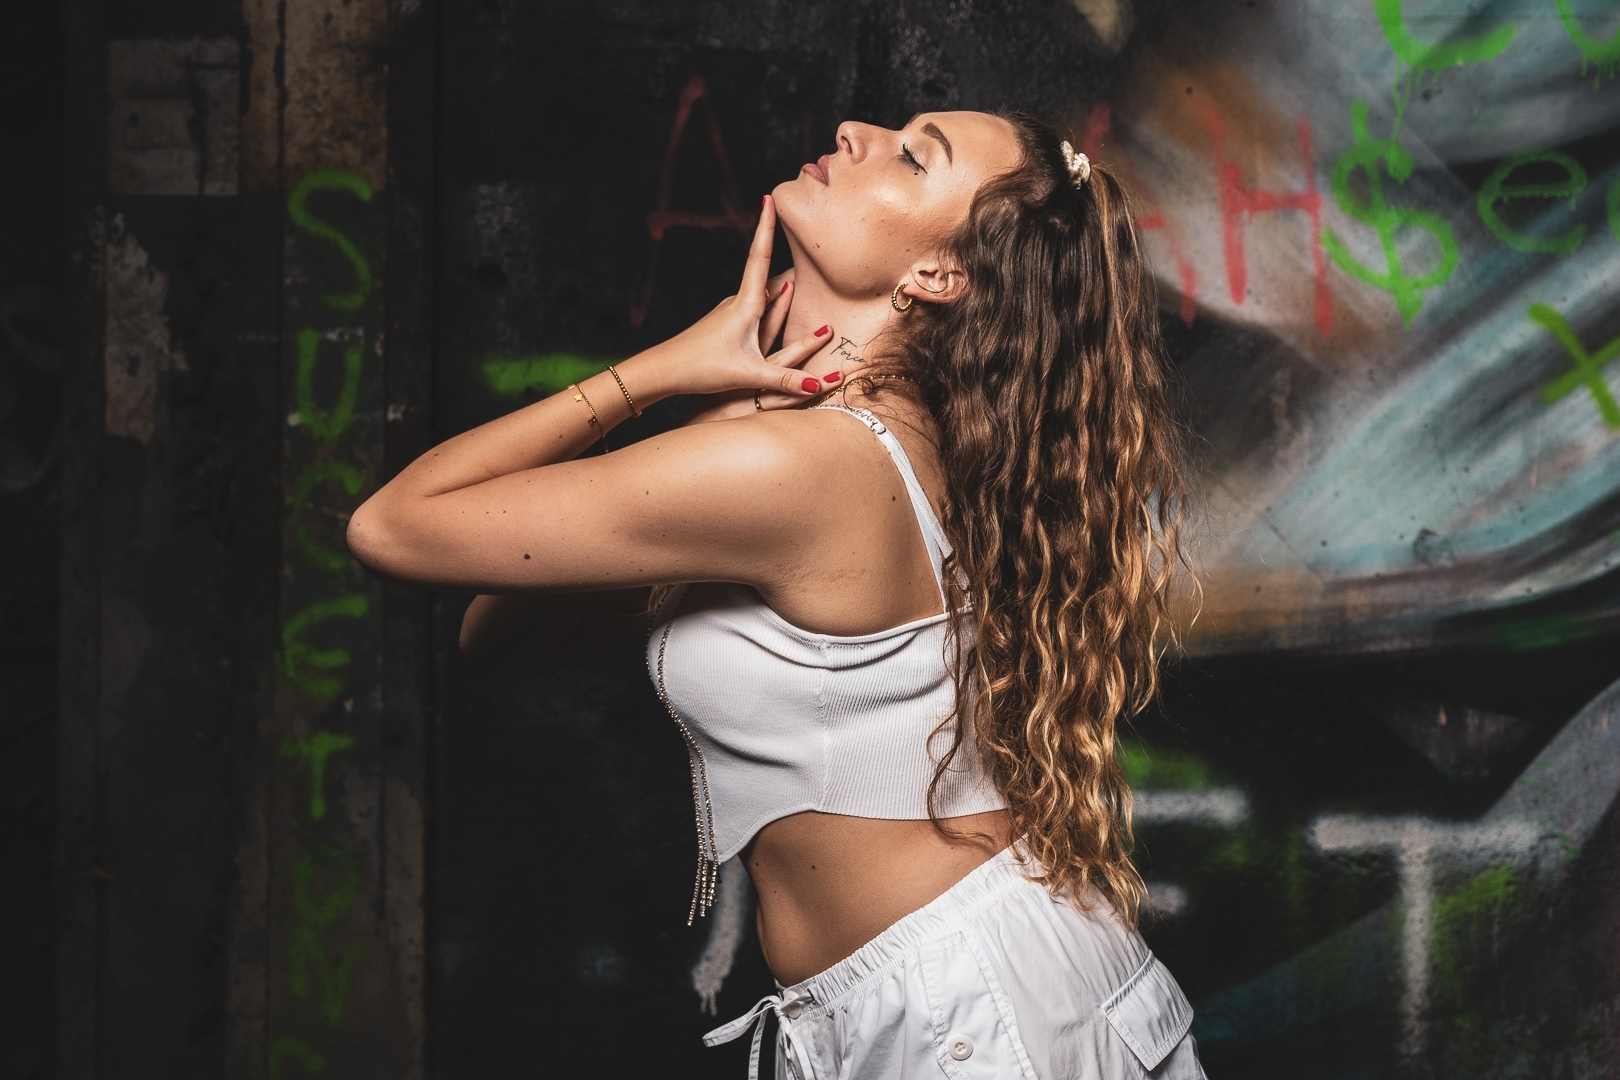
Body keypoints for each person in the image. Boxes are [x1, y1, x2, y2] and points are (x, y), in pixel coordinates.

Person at [348, 109, 1203, 1080]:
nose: (856, 130)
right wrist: (723, 401)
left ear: (938, 274)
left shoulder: (805, 469)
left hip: (971, 1012)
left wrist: (658, 371)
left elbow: (390, 526)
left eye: (913, 155)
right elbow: (504, 632)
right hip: (940, 994)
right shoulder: (863, 443)